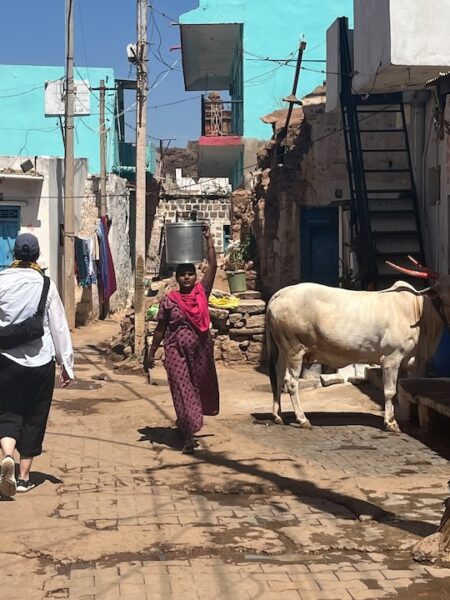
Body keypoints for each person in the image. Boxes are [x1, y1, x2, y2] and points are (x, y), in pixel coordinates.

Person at [0, 233, 74, 497]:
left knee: (7, 413)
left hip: (6, 360)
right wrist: (67, 364)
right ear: (37, 255)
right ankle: (23, 477)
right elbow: (59, 327)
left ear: (14, 255)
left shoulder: (1, 281)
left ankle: (7, 454)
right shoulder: (46, 284)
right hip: (41, 363)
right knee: (34, 416)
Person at [145, 225, 219, 454]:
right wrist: (151, 352)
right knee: (181, 388)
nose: (187, 277)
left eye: (190, 273)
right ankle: (188, 435)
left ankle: (187, 423)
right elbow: (161, 327)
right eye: (182, 274)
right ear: (176, 278)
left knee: (196, 387)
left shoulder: (201, 293)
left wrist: (208, 240)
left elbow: (213, 266)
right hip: (175, 349)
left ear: (195, 276)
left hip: (200, 351)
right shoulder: (170, 299)